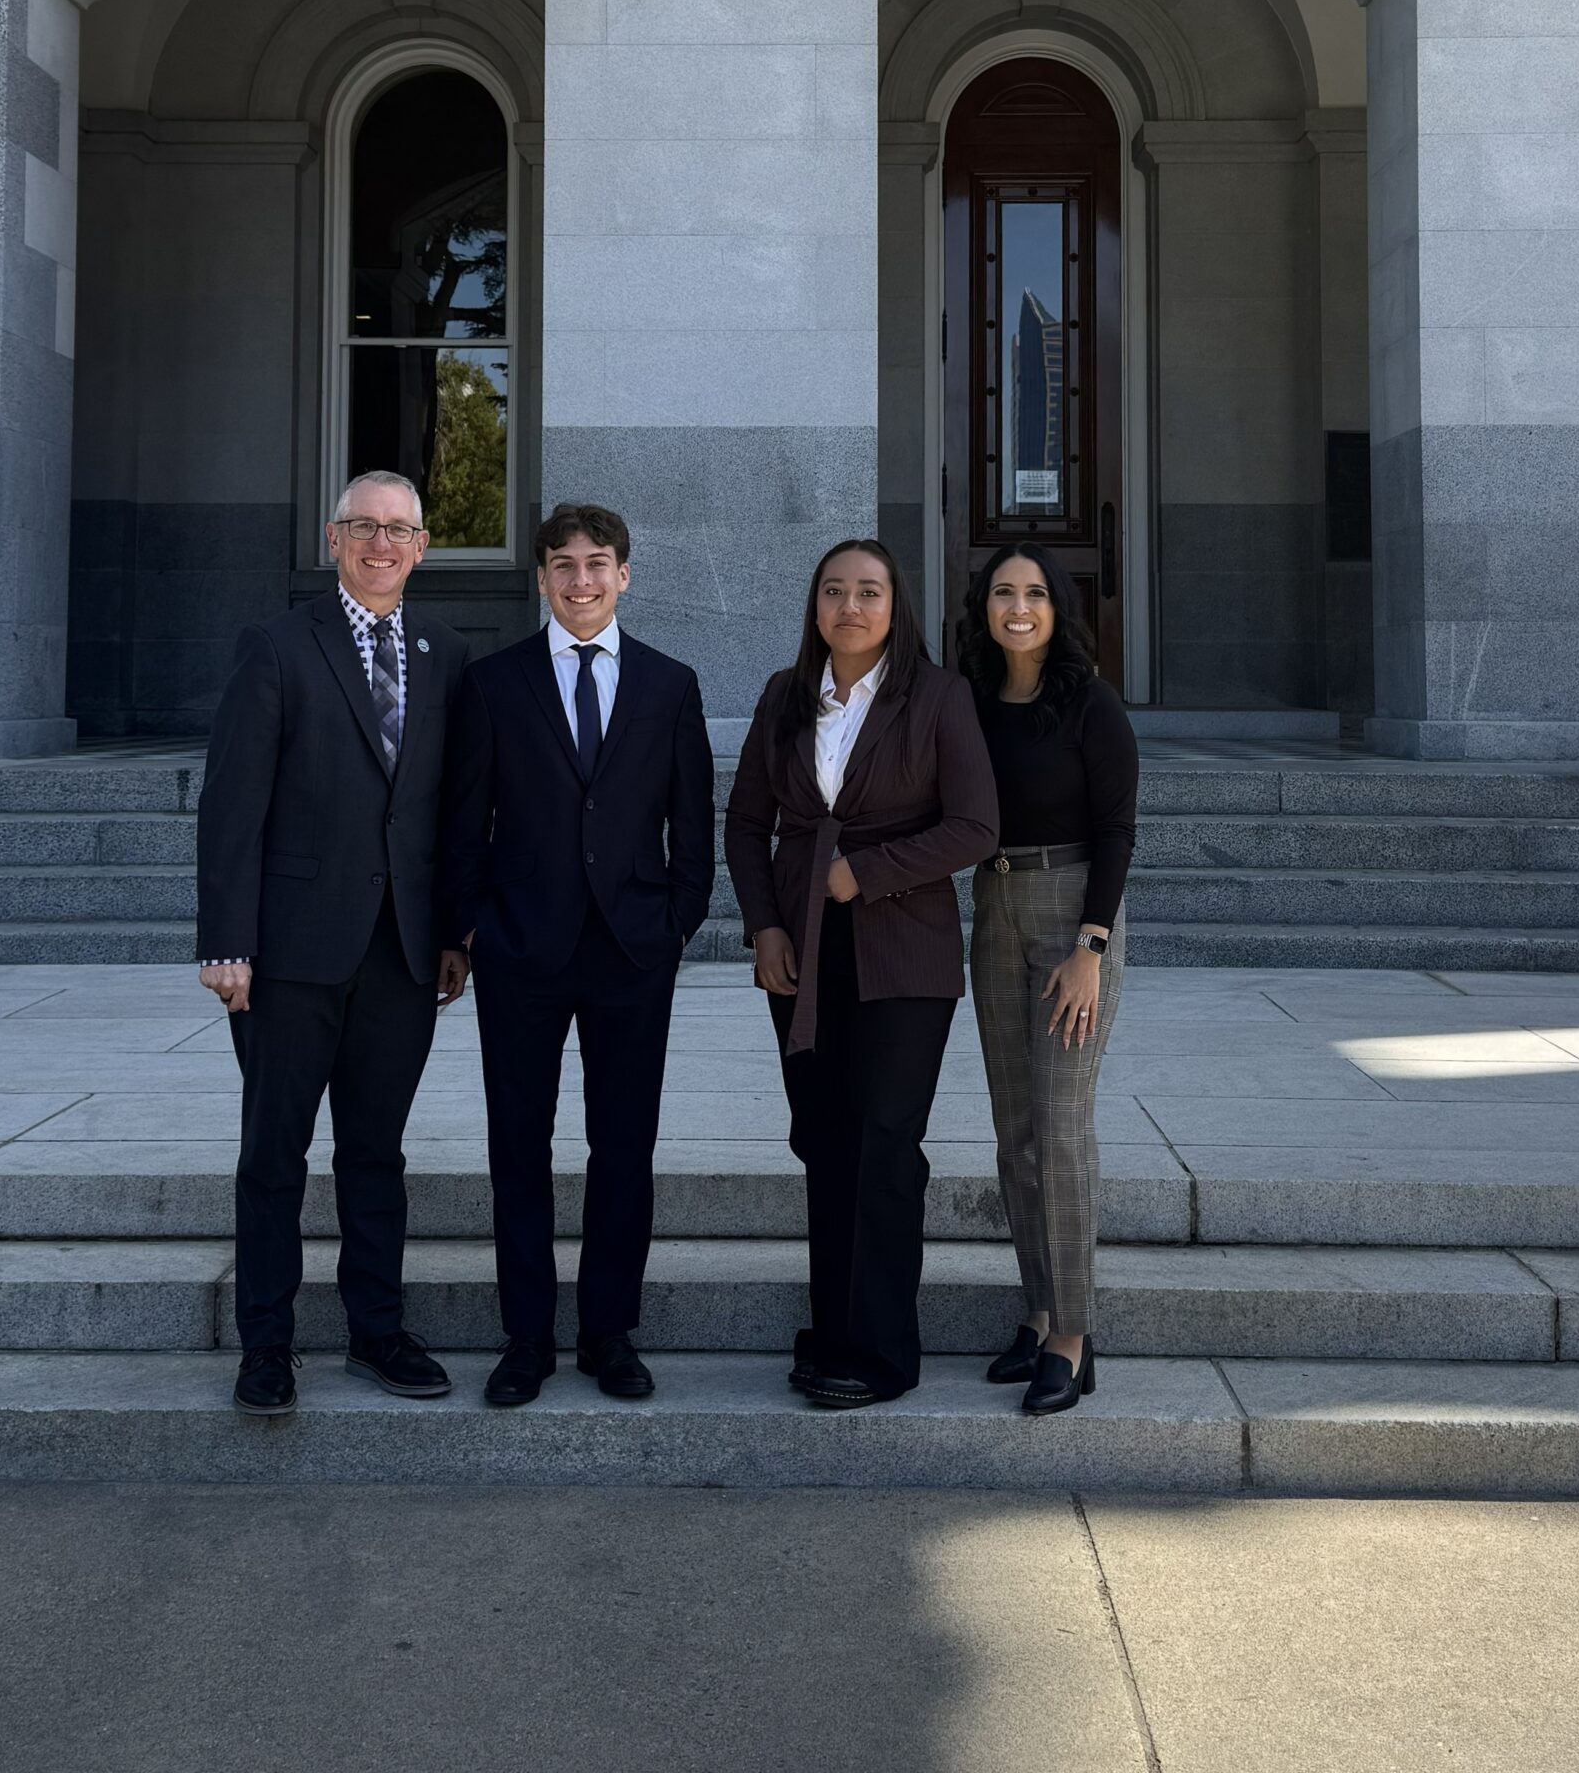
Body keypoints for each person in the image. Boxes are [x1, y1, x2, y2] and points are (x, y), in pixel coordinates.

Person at [196, 470, 472, 1417]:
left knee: (376, 1155)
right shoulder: (276, 647)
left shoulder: (446, 652)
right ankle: (266, 1346)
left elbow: (449, 814)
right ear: (333, 538)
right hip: (288, 956)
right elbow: (232, 805)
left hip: (403, 954)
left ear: (424, 546)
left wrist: (455, 935)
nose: (382, 544)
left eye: (400, 530)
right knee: (274, 1155)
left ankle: (376, 1333)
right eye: (364, 527)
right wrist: (227, 941)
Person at [439, 503, 715, 1407]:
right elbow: (463, 820)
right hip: (521, 949)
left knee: (622, 1146)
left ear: (625, 574)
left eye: (599, 564)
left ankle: (609, 1332)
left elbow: (693, 819)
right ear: (543, 577)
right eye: (564, 565)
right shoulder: (494, 683)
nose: (582, 580)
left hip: (634, 950)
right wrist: (469, 925)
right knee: (517, 1145)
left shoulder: (671, 685)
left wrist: (677, 921)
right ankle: (526, 1337)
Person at [724, 539, 998, 1409]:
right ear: (815, 608)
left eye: (869, 592)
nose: (851, 606)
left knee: (883, 1145)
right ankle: (828, 1336)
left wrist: (865, 873)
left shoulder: (940, 697)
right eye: (834, 591)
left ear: (896, 607)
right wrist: (765, 925)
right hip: (801, 948)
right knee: (825, 1140)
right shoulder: (784, 696)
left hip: (903, 954)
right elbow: (743, 825)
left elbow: (975, 828)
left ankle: (881, 1354)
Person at [957, 543, 1138, 1416]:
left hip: (1074, 917)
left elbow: (1118, 831)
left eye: (1034, 593)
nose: (1017, 607)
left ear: (1058, 607)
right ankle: (1036, 1310)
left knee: (1063, 1129)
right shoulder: (968, 703)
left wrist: (1090, 949)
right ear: (983, 607)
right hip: (993, 908)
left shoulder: (1090, 703)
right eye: (1002, 592)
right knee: (1016, 1131)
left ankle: (1074, 1333)